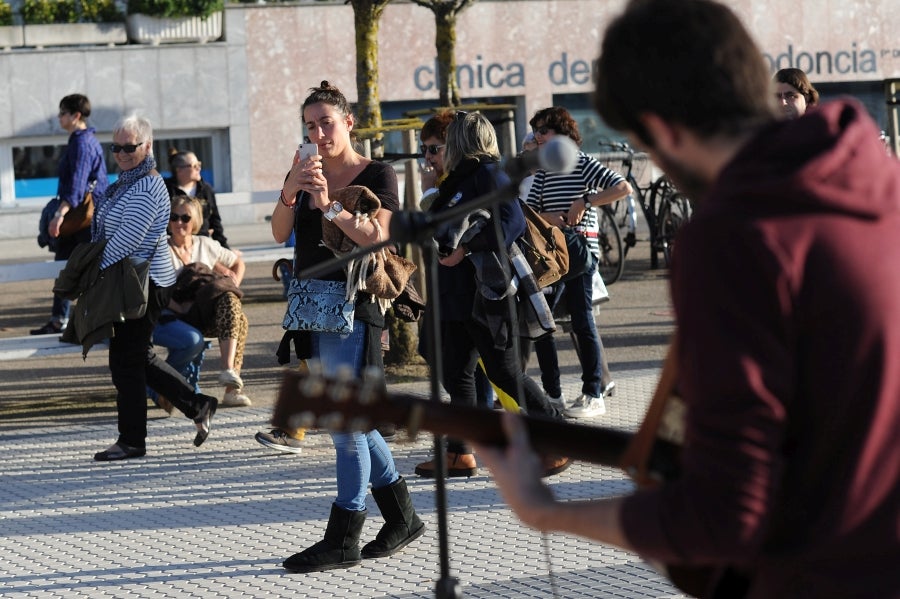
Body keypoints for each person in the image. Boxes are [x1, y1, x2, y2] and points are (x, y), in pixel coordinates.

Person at [477, 1, 900, 597]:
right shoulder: (876, 177)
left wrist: (544, 510)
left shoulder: (732, 237)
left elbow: (723, 520)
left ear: (666, 129)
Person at [270, 81, 424, 572]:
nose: (318, 132)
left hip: (354, 305)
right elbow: (277, 232)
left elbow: (376, 238)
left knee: (344, 423)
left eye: (326, 122)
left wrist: (328, 203)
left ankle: (343, 538)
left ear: (349, 122)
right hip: (312, 305)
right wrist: (291, 191)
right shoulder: (303, 169)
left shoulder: (377, 173)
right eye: (310, 125)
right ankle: (402, 517)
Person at [413, 111, 568, 479]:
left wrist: (465, 250)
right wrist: (430, 190)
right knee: (455, 373)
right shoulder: (456, 179)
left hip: (484, 293)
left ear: (461, 142)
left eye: (446, 143)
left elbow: (511, 223)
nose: (439, 150)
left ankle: (558, 439)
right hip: (453, 295)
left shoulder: (487, 173)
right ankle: (459, 452)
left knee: (505, 370)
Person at [89, 114, 218, 461]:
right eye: (116, 147)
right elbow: (103, 229)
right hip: (129, 283)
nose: (121, 153)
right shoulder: (124, 183)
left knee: (125, 362)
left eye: (129, 147)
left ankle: (132, 440)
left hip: (144, 285)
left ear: (147, 146)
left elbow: (128, 240)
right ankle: (198, 404)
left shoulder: (148, 186)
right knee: (136, 356)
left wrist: (91, 270)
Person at [524, 107, 631, 417]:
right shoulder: (543, 171)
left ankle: (593, 392)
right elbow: (530, 216)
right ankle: (553, 394)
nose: (539, 137)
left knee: (583, 322)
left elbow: (621, 187)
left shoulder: (582, 163)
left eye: (544, 131)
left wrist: (585, 201)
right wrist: (551, 219)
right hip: (551, 258)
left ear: (563, 132)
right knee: (543, 326)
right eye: (536, 132)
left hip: (580, 253)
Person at [417, 109, 496, 414]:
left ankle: (481, 425)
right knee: (438, 353)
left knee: (489, 367)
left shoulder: (464, 177)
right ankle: (472, 430)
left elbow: (439, 225)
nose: (428, 156)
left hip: (468, 283)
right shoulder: (447, 178)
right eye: (423, 149)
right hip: (445, 282)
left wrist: (428, 193)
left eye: (434, 149)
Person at [31, 94, 109, 335]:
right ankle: (60, 319)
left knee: (77, 270)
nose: (59, 117)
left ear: (76, 115)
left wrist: (59, 215)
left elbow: (76, 185)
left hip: (81, 219)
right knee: (67, 268)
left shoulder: (82, 143)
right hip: (83, 218)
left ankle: (90, 321)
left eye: (63, 112)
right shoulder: (83, 140)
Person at [164, 196, 251, 407]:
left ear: (195, 221)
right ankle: (229, 379)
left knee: (235, 308)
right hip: (177, 311)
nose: (179, 223)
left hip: (207, 311)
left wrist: (233, 284)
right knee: (234, 308)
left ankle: (230, 379)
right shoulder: (162, 248)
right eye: (174, 217)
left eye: (185, 218)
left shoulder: (205, 244)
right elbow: (154, 288)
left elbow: (238, 262)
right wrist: (179, 307)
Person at [165, 148, 229, 248]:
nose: (199, 168)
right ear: (179, 170)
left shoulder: (206, 189)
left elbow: (215, 222)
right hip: (175, 246)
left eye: (199, 164)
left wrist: (225, 248)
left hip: (202, 244)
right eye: (194, 166)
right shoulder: (165, 190)